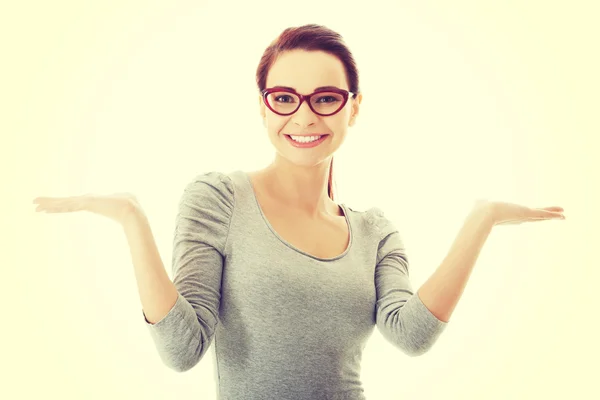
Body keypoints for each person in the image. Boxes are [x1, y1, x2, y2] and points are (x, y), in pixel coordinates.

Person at [33, 24, 565, 400]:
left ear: (354, 106)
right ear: (264, 105)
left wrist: (481, 221)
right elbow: (182, 349)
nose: (304, 115)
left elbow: (411, 335)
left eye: (326, 97)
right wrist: (132, 218)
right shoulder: (217, 198)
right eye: (284, 97)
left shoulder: (375, 230)